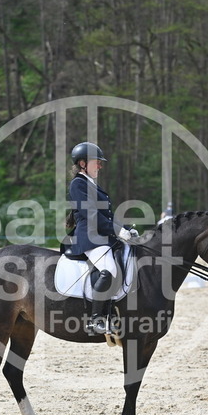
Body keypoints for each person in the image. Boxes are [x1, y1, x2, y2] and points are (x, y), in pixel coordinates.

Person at [66, 141, 137, 334]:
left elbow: (108, 216)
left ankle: (111, 311)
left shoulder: (91, 184)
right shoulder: (78, 184)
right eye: (96, 162)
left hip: (102, 236)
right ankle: (95, 319)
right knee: (108, 269)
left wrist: (126, 229)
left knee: (124, 262)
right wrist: (117, 231)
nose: (100, 165)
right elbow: (91, 215)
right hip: (89, 238)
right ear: (83, 163)